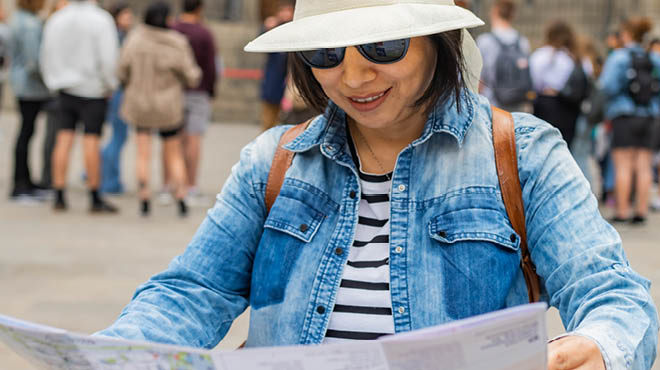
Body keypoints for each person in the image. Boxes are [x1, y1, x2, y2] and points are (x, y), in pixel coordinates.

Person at [97, 1, 658, 369]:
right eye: (326, 53)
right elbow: (192, 291)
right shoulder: (275, 159)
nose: (355, 76)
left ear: (435, 41)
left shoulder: (523, 154)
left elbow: (613, 296)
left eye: (382, 48)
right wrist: (113, 353)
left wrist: (597, 346)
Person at [117, 0, 201, 217]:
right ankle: (181, 196)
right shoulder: (177, 42)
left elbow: (121, 71)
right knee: (173, 153)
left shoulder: (134, 40)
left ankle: (144, 197)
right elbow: (192, 76)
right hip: (168, 107)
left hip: (140, 105)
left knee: (143, 153)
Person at [40, 0, 120, 213]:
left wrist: (53, 81)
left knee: (63, 138)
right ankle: (94, 195)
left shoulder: (57, 19)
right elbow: (108, 59)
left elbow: (45, 54)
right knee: (91, 140)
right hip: (93, 89)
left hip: (64, 87)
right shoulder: (101, 20)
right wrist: (110, 85)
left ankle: (58, 193)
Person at [599, 17, 660, 224]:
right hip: (649, 115)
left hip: (623, 114)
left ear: (626, 34)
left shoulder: (619, 57)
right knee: (644, 165)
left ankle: (622, 211)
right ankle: (641, 211)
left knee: (623, 164)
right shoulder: (653, 58)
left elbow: (606, 86)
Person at [171, 0, 217, 205]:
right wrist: (211, 90)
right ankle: (190, 185)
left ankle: (170, 185)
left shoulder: (172, 28)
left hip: (173, 90)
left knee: (172, 140)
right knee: (194, 139)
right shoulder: (204, 33)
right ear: (199, 8)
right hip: (198, 91)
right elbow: (210, 66)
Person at [7, 0, 52, 202]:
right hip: (30, 87)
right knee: (26, 133)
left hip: (21, 84)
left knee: (26, 133)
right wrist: (51, 81)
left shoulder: (17, 20)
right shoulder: (30, 25)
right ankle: (21, 184)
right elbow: (34, 62)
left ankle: (24, 180)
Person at [529, 20, 584, 147]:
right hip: (568, 107)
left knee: (543, 145)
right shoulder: (574, 57)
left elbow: (534, 81)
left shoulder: (540, 55)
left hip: (544, 104)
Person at [100, 2, 134, 195]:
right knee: (118, 137)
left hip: (114, 91)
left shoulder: (115, 36)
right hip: (118, 91)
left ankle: (92, 170)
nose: (130, 20)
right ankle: (109, 181)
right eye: (126, 16)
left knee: (115, 137)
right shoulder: (119, 38)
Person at [476, 0, 532, 112]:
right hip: (517, 105)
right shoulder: (522, 42)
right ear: (513, 15)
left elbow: (479, 78)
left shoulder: (485, 41)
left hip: (492, 106)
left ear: (494, 12)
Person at [259, 0, 294, 131]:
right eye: (283, 11)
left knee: (288, 125)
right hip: (273, 84)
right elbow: (262, 45)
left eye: (288, 11)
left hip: (292, 88)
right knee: (268, 122)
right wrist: (267, 29)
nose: (285, 15)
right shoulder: (273, 28)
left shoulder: (296, 30)